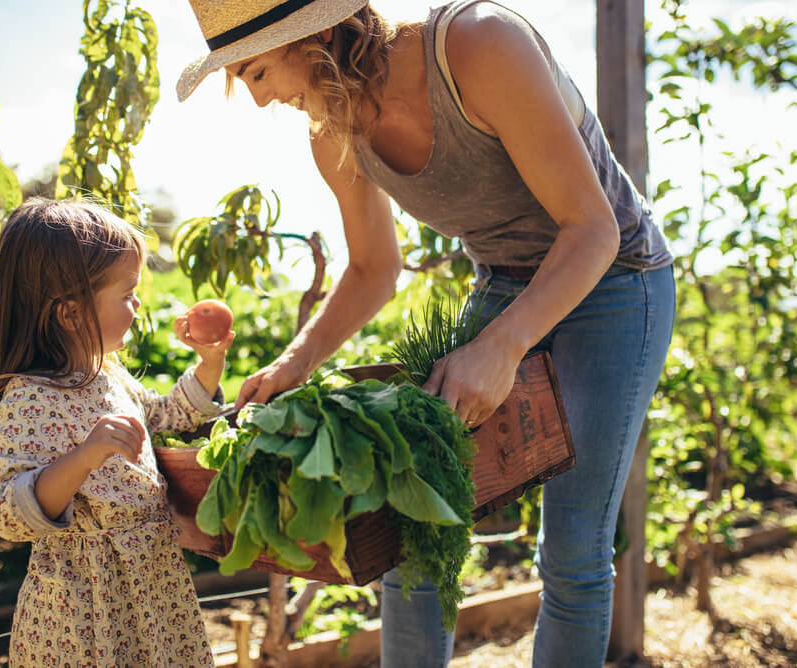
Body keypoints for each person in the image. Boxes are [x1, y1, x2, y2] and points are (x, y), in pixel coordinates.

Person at [177, 1, 675, 666]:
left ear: (318, 30)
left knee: (573, 548)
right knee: (411, 529)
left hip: (615, 282)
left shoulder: (480, 47)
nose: (263, 100)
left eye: (259, 72)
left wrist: (501, 345)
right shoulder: (332, 132)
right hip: (502, 284)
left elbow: (594, 230)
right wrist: (295, 361)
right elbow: (373, 267)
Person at [0, 198, 233, 666]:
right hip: (85, 608)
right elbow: (7, 512)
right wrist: (82, 458)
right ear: (71, 313)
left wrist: (209, 365)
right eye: (126, 294)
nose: (137, 305)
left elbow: (165, 417)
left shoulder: (109, 377)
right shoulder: (30, 397)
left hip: (152, 591)